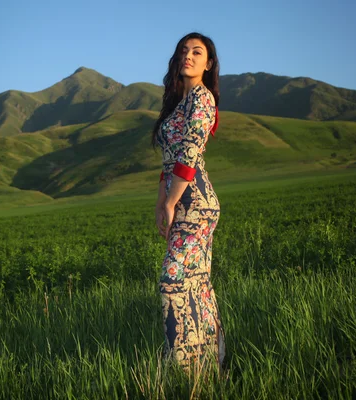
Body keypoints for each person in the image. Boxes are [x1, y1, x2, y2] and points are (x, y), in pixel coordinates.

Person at [152, 32, 225, 372]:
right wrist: (160, 201)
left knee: (172, 279)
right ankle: (212, 365)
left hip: (194, 201)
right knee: (197, 284)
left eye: (198, 52)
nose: (189, 56)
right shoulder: (177, 103)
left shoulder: (202, 97)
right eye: (184, 51)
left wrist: (172, 202)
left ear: (208, 63)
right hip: (179, 197)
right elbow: (169, 159)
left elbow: (190, 152)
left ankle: (184, 367)